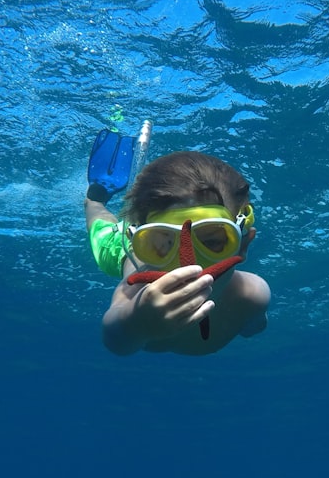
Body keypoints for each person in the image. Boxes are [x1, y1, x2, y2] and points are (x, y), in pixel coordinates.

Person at [84, 134, 270, 356]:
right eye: (162, 243)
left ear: (243, 245)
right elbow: (115, 340)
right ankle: (94, 199)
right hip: (123, 247)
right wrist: (137, 321)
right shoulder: (136, 293)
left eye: (211, 242)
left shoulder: (251, 297)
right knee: (101, 229)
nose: (184, 263)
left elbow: (254, 323)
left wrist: (250, 321)